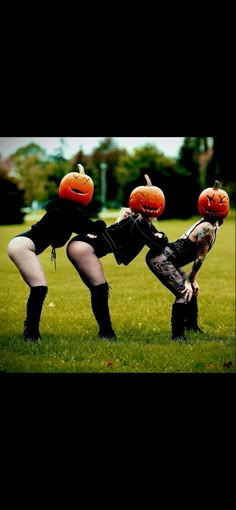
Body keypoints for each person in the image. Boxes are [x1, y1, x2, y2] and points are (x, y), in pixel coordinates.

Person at [7, 164, 106, 342]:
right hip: (23, 245)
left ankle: (31, 334)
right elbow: (93, 227)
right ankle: (31, 334)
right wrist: (104, 224)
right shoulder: (67, 211)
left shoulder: (63, 209)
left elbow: (85, 226)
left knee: (38, 288)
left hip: (22, 243)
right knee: (39, 287)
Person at [66, 175, 169, 340]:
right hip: (83, 247)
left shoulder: (135, 220)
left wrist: (156, 233)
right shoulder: (138, 222)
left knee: (98, 289)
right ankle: (106, 333)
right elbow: (158, 244)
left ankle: (105, 332)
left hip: (81, 246)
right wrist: (161, 235)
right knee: (100, 289)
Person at [145, 180, 230, 341]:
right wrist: (192, 279)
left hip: (168, 258)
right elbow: (200, 256)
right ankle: (177, 335)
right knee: (184, 291)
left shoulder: (211, 225)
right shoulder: (207, 229)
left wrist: (191, 280)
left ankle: (192, 326)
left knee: (192, 291)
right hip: (161, 259)